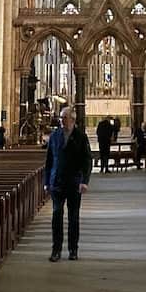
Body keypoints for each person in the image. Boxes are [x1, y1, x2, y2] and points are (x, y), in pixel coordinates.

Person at [44, 106, 92, 261]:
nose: (62, 120)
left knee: (73, 217)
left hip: (74, 182)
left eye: (64, 117)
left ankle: (73, 249)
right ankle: (56, 250)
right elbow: (49, 161)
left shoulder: (81, 136)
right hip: (57, 181)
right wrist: (46, 182)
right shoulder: (55, 136)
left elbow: (87, 161)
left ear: (72, 119)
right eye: (61, 117)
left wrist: (84, 181)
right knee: (57, 215)